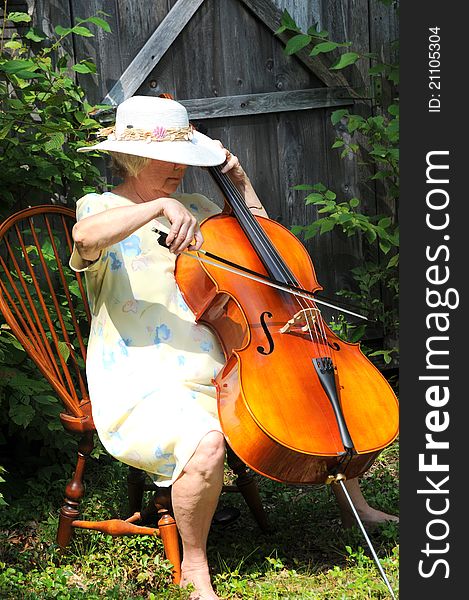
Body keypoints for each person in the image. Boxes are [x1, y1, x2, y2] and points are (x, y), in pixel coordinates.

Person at [70, 95, 397, 600]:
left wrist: (240, 182)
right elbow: (84, 240)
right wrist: (156, 207)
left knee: (314, 388)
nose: (178, 169)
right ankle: (196, 566)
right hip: (143, 376)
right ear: (131, 157)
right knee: (204, 441)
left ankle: (359, 504)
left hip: (226, 358)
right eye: (166, 159)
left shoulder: (202, 211)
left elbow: (264, 243)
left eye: (184, 158)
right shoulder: (101, 209)